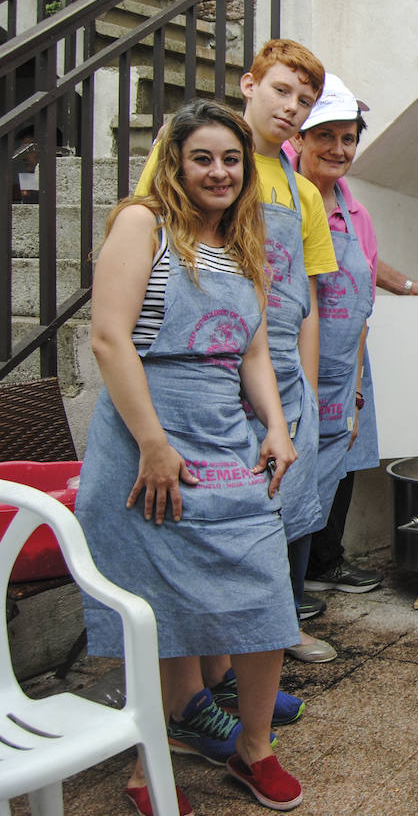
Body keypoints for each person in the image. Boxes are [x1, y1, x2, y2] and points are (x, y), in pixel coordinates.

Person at [78, 100, 303, 815]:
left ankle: (254, 749)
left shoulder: (242, 241)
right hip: (148, 432)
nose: (219, 171)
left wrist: (275, 425)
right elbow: (111, 340)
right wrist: (152, 445)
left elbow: (257, 349)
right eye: (202, 157)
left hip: (224, 435)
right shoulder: (143, 225)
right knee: (157, 607)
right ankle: (149, 766)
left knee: (265, 590)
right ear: (176, 162)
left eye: (231, 159)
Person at [288, 74, 418, 617]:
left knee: (343, 462)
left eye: (349, 139)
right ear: (301, 139)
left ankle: (323, 562)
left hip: (348, 358)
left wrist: (410, 286)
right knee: (295, 469)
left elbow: (362, 265)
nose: (339, 149)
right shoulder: (281, 193)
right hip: (295, 360)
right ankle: (286, 587)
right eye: (326, 136)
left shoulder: (353, 209)